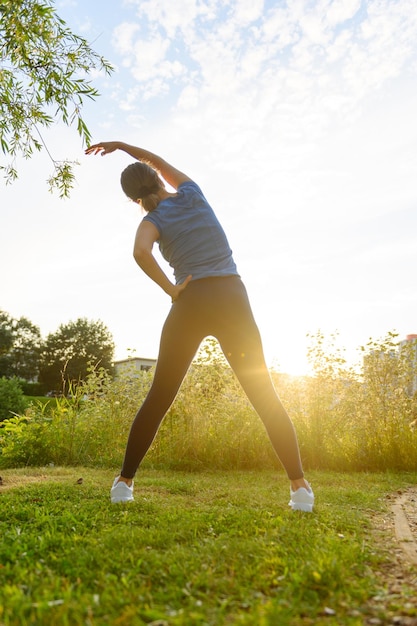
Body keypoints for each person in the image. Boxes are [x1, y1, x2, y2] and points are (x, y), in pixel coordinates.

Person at [85, 140, 314, 512]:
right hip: (230, 299)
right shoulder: (191, 193)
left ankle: (123, 483)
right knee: (263, 393)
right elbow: (157, 160)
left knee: (159, 396)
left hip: (190, 303)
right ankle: (300, 488)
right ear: (158, 178)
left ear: (133, 199)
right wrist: (122, 146)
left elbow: (140, 252)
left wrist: (171, 290)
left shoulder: (151, 221)